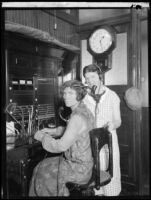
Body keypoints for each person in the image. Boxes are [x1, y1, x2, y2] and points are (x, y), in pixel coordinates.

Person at [29, 80, 95, 196]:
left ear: (79, 94)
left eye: (70, 93)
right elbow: (75, 131)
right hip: (87, 165)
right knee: (42, 165)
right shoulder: (84, 110)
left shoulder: (76, 117)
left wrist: (42, 137)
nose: (65, 97)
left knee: (41, 171)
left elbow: (60, 146)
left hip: (78, 169)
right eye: (64, 93)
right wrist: (54, 131)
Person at [83, 64, 122, 196]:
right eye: (87, 78)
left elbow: (118, 121)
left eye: (92, 77)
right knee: (96, 172)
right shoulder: (85, 98)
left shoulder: (112, 95)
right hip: (92, 141)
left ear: (100, 76)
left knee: (111, 170)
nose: (90, 81)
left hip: (109, 140)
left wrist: (112, 125)